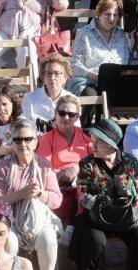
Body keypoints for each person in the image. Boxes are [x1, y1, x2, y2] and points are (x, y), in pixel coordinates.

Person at [76, 117, 138, 270]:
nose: (92, 144)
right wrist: (100, 202)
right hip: (99, 217)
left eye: (98, 141)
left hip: (127, 218)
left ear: (112, 144)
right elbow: (81, 195)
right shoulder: (87, 164)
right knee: (94, 240)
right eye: (92, 140)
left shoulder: (129, 162)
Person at [0, 119, 62, 270]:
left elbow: (57, 199)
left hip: (39, 221)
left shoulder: (44, 165)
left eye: (28, 139)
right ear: (12, 143)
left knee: (47, 238)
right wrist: (20, 195)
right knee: (10, 242)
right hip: (11, 221)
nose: (23, 144)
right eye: (18, 140)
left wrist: (40, 194)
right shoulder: (4, 167)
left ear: (35, 141)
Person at [36, 94, 93, 225]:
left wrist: (76, 169)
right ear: (56, 113)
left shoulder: (85, 136)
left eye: (71, 114)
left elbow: (94, 163)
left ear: (77, 117)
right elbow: (45, 169)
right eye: (62, 113)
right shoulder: (47, 138)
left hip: (83, 182)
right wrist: (63, 173)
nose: (66, 118)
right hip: (58, 185)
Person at [67, 0, 132, 109]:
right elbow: (75, 64)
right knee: (90, 96)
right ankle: (87, 126)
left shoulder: (122, 35)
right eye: (108, 14)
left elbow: (130, 62)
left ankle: (122, 126)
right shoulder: (84, 33)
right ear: (99, 14)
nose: (111, 18)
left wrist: (134, 42)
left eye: (115, 15)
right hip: (89, 82)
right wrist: (96, 77)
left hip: (117, 82)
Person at [0, 0, 53, 69]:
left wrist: (27, 2)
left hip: (27, 29)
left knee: (27, 49)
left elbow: (43, 8)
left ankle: (26, 79)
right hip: (1, 30)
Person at [22, 53, 75, 126]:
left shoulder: (72, 100)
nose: (52, 78)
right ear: (43, 77)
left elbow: (75, 129)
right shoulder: (30, 99)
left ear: (65, 78)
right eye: (49, 73)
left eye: (57, 73)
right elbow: (26, 126)